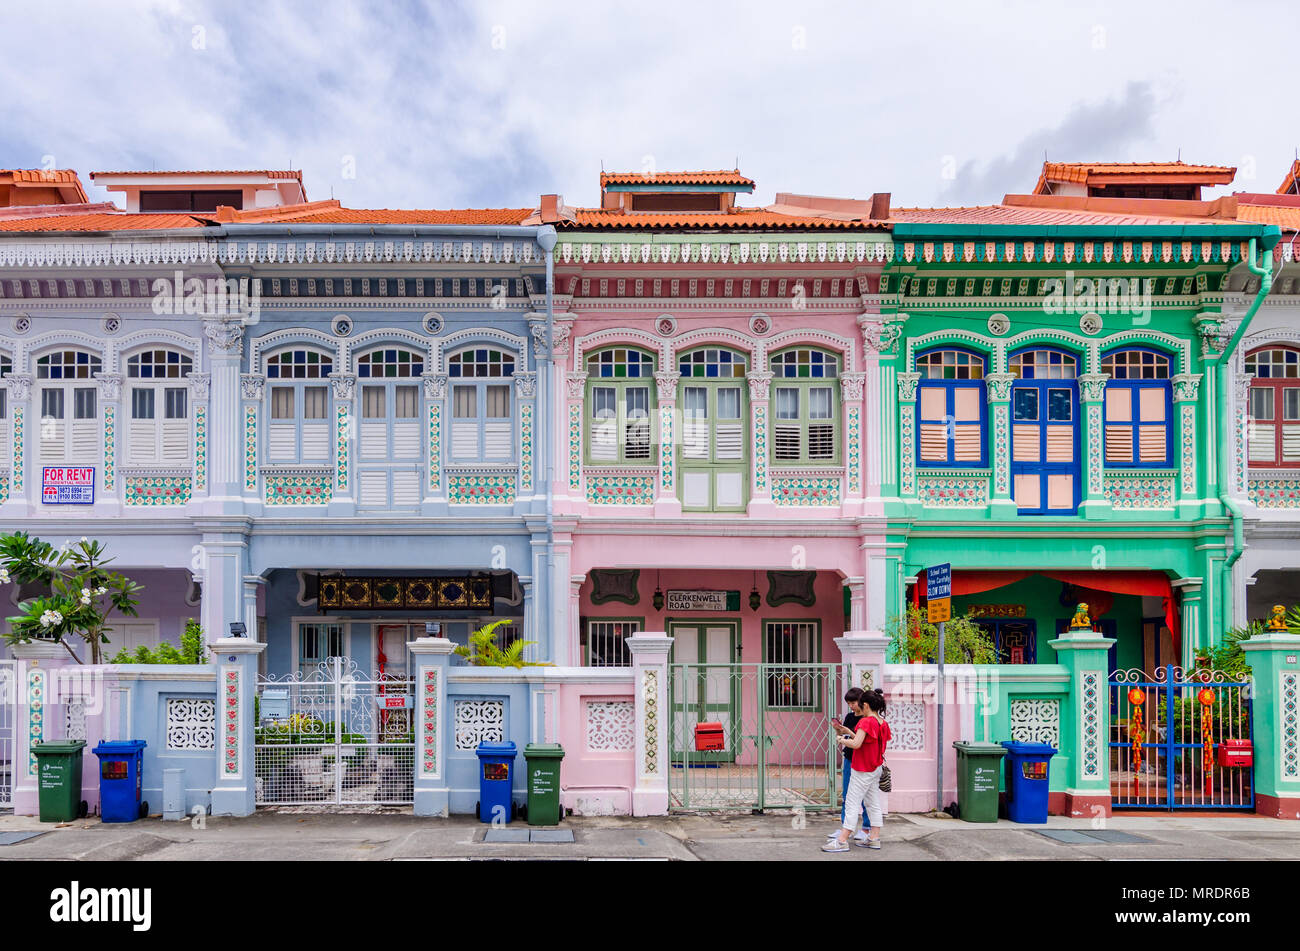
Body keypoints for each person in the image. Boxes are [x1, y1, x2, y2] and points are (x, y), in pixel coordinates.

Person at [822, 687, 890, 853]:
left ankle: (842, 840)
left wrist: (841, 739)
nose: (856, 706)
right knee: (873, 803)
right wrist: (850, 734)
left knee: (852, 802)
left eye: (859, 703)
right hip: (876, 768)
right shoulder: (882, 722)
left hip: (862, 769)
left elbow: (856, 744)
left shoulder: (866, 721)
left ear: (865, 705)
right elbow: (867, 741)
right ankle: (874, 837)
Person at [828, 688, 870, 844]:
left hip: (863, 761)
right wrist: (838, 731)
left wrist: (848, 733)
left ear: (861, 701)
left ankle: (867, 828)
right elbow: (843, 737)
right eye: (849, 703)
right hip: (849, 758)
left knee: (866, 797)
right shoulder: (849, 717)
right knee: (847, 795)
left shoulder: (867, 719)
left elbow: (863, 741)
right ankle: (846, 827)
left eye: (853, 703)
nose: (851, 706)